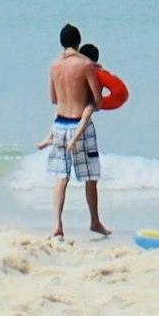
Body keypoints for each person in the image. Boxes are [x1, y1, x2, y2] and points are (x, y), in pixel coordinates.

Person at [44, 23, 112, 240]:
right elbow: (98, 100)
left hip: (59, 125)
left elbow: (53, 98)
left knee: (60, 177)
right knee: (91, 176)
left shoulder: (54, 65)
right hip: (79, 126)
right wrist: (93, 101)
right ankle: (94, 221)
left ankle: (57, 224)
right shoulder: (85, 65)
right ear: (79, 42)